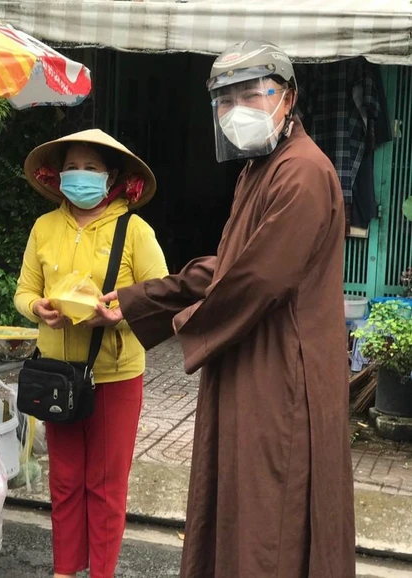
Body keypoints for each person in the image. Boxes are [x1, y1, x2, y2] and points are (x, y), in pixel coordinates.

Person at [88, 41, 356, 578]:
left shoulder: (301, 172)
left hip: (283, 376)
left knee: (272, 519)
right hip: (252, 365)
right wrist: (143, 299)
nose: (239, 110)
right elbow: (228, 264)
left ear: (288, 97)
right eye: (226, 99)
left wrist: (187, 323)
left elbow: (256, 279)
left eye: (252, 94)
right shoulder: (261, 168)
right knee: (240, 507)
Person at [14, 129, 169, 578]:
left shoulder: (134, 230)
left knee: (104, 485)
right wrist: (37, 308)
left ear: (113, 177)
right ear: (58, 175)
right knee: (64, 481)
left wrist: (117, 314)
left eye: (91, 168)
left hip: (115, 376)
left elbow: (159, 294)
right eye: (72, 167)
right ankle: (64, 571)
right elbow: (24, 291)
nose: (80, 176)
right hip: (56, 374)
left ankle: (101, 573)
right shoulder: (43, 228)